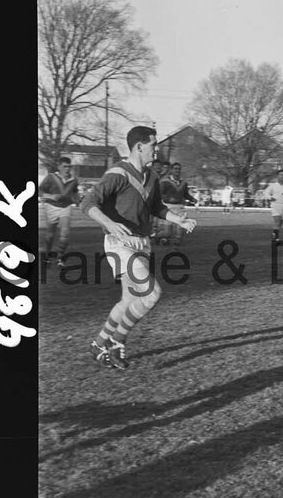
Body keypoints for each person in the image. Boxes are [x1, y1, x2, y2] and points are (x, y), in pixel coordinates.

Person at [82, 126, 197, 370]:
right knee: (151, 294)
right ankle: (116, 340)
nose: (157, 149)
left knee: (128, 300)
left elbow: (156, 207)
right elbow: (88, 203)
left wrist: (179, 220)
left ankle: (99, 343)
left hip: (141, 243)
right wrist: (110, 224)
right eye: (154, 145)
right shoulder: (118, 174)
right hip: (120, 244)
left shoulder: (152, 177)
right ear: (139, 146)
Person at [39, 156, 80, 265]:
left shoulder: (74, 180)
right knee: (50, 235)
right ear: (59, 167)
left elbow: (75, 192)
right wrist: (50, 196)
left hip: (65, 207)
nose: (67, 169)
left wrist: (77, 199)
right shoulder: (51, 177)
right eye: (64, 166)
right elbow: (39, 190)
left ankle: (60, 258)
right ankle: (46, 255)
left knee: (65, 233)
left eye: (69, 166)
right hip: (51, 207)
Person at [158, 162, 196, 246]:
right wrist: (167, 199)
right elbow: (159, 194)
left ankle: (177, 242)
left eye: (179, 169)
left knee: (181, 225)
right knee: (167, 231)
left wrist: (192, 199)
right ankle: (160, 237)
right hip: (168, 207)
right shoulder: (165, 182)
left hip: (180, 207)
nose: (177, 170)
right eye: (175, 168)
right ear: (171, 170)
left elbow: (185, 194)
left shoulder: (183, 183)